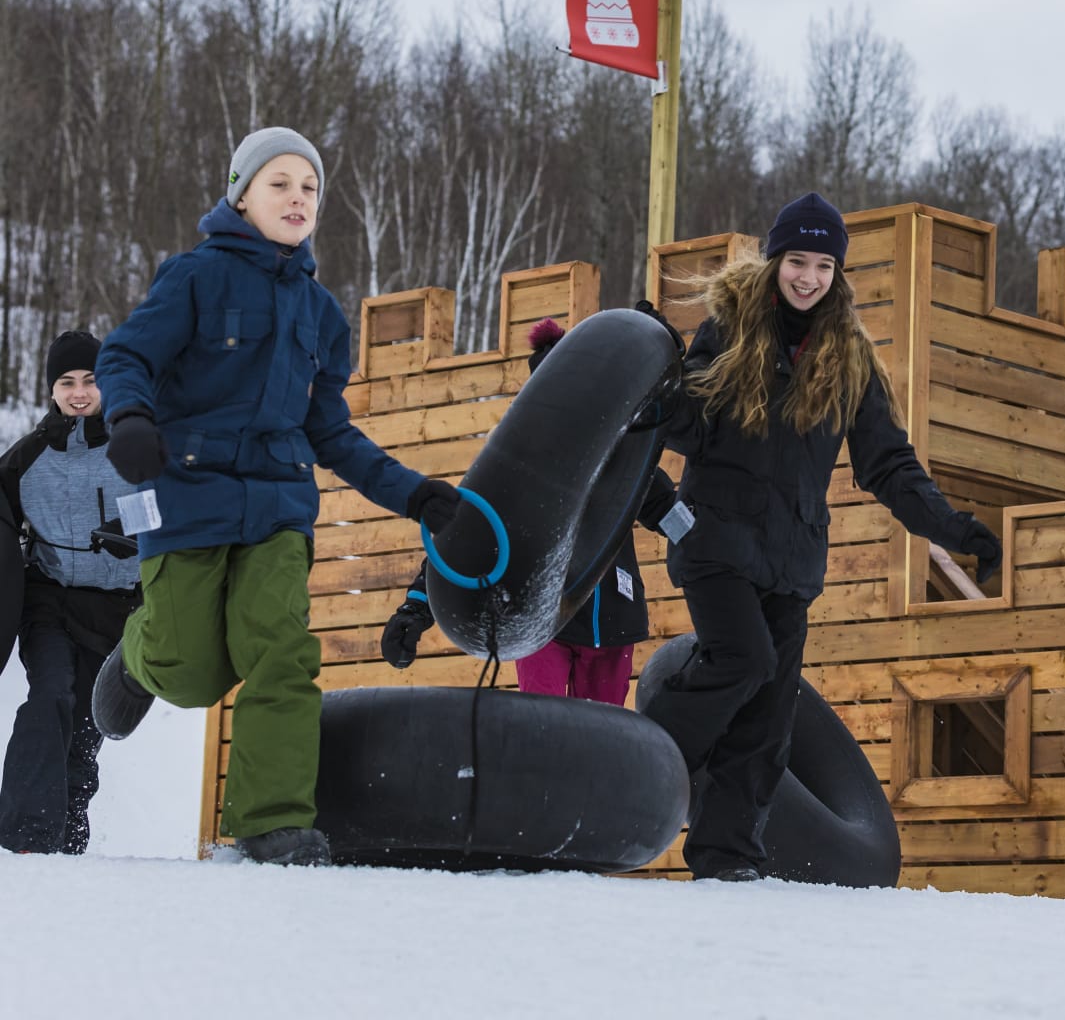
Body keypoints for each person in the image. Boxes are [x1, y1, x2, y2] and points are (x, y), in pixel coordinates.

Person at [90, 127, 460, 867]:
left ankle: (272, 822)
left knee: (282, 653)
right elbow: (126, 355)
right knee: (192, 671)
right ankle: (136, 657)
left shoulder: (323, 315)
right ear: (241, 194)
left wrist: (415, 496)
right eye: (280, 183)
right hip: (189, 496)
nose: (298, 198)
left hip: (279, 513)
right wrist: (129, 416)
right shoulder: (192, 277)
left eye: (310, 188)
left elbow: (332, 432)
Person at [639, 192, 1003, 883]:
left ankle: (726, 859)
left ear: (838, 273)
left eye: (823, 265)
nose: (808, 277)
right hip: (715, 539)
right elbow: (689, 428)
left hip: (792, 557)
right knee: (741, 660)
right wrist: (657, 376)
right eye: (797, 261)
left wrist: (951, 527)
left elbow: (887, 463)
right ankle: (644, 762)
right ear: (777, 259)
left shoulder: (849, 358)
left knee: (770, 711)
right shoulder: (731, 328)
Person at [381, 318, 677, 706]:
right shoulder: (521, 467)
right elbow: (464, 538)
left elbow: (667, 510)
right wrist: (416, 608)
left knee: (604, 742)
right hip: (539, 620)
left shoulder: (620, 453)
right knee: (544, 731)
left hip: (612, 624)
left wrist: (714, 543)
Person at [0, 331, 142, 854]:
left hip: (117, 607)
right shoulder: (24, 459)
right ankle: (28, 839)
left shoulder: (138, 445)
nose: (79, 392)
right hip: (49, 599)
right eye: (67, 382)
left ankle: (68, 841)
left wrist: (137, 533)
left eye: (90, 380)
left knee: (85, 726)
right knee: (50, 694)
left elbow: (174, 508)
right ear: (52, 390)